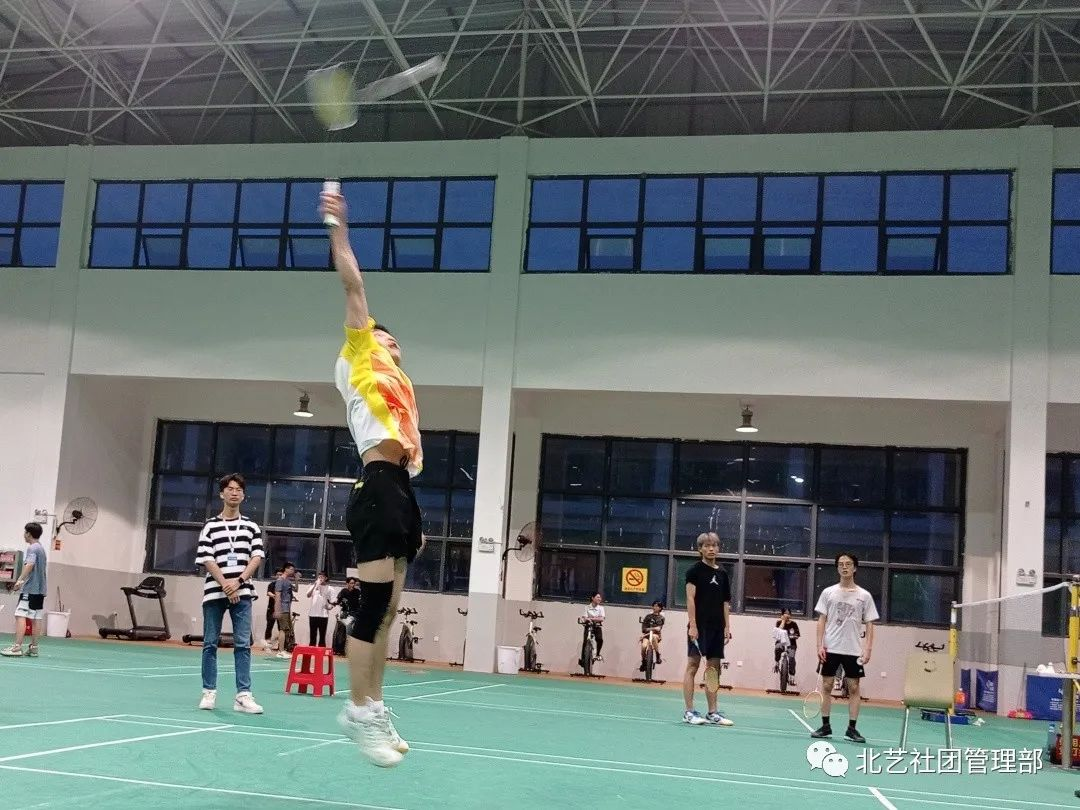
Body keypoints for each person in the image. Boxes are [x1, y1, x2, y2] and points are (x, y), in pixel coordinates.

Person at [321, 187, 425, 768]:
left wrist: (414, 515)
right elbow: (353, 285)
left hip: (401, 489)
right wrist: (338, 226)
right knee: (374, 604)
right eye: (387, 334)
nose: (393, 340)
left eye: (394, 339)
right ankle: (358, 712)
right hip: (377, 484)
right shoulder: (362, 353)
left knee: (388, 611)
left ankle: (377, 707)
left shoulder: (400, 383)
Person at [194, 473, 264, 713]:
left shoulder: (251, 526)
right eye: (230, 489)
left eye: (239, 490)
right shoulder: (210, 526)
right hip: (214, 593)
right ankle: (208, 692)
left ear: (243, 495)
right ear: (221, 493)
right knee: (209, 644)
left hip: (242, 593)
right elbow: (207, 558)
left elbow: (256, 557)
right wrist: (226, 584)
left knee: (243, 644)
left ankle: (243, 696)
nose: (234, 493)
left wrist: (239, 582)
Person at [810, 552, 879, 744]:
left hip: (853, 649)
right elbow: (821, 620)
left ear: (855, 568)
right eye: (841, 564)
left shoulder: (864, 595)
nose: (844, 567)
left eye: (848, 564)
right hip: (830, 647)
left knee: (854, 687)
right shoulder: (828, 592)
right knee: (827, 685)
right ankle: (825, 726)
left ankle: (852, 729)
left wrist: (868, 649)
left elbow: (870, 623)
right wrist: (819, 645)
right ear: (837, 568)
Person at [684, 532, 734, 726]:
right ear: (700, 549)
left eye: (714, 545)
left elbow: (725, 602)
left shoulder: (723, 573)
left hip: (717, 627)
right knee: (693, 666)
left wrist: (727, 626)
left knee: (713, 669)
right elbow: (690, 598)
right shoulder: (694, 571)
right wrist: (693, 625)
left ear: (718, 548)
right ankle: (689, 712)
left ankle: (712, 712)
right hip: (699, 626)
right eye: (707, 545)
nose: (711, 548)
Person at [1, 523, 48, 657]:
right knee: (36, 617)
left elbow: (30, 565)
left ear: (28, 533)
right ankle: (34, 648)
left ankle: (17, 647)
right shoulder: (41, 548)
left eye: (25, 532)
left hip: (30, 589)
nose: (24, 535)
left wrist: (19, 580)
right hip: (40, 590)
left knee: (20, 615)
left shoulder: (32, 548)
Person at [268, 562, 297, 658]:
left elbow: (296, 590)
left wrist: (296, 580)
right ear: (286, 569)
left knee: (287, 630)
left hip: (287, 608)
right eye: (291, 569)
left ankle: (270, 643)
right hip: (282, 608)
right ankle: (281, 651)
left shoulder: (287, 581)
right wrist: (277, 609)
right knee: (283, 629)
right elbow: (277, 595)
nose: (293, 571)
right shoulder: (280, 581)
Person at [773, 608, 801, 685]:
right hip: (781, 643)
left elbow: (797, 635)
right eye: (785, 613)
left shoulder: (794, 624)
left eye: (789, 614)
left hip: (791, 644)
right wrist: (783, 621)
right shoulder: (779, 622)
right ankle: (777, 662)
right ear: (782, 615)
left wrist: (793, 636)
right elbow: (778, 633)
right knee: (777, 648)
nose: (787, 615)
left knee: (791, 658)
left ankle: (792, 677)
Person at [307, 571, 333, 647]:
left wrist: (330, 607)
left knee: (322, 636)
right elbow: (308, 595)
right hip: (312, 614)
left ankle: (321, 651)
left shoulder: (330, 588)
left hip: (323, 615)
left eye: (322, 577)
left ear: (326, 578)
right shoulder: (314, 586)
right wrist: (315, 586)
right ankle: (311, 650)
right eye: (319, 577)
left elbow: (333, 601)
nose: (320, 578)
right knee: (312, 635)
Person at [639, 600, 664, 671]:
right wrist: (653, 628)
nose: (654, 607)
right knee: (644, 647)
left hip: (656, 635)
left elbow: (658, 629)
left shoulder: (661, 618)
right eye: (654, 606)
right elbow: (644, 629)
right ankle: (643, 661)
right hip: (646, 636)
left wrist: (650, 629)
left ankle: (657, 655)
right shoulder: (648, 617)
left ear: (660, 608)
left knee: (653, 637)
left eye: (657, 606)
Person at [580, 593, 605, 664]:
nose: (599, 599)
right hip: (588, 625)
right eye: (598, 597)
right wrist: (594, 618)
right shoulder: (587, 607)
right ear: (592, 598)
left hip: (597, 626)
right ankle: (583, 660)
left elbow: (602, 618)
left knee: (600, 639)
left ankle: (597, 654)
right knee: (585, 641)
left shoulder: (601, 608)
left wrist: (591, 618)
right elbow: (584, 617)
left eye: (600, 597)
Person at [261, 570, 280, 650]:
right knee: (269, 626)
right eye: (278, 574)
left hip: (281, 610)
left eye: (281, 575)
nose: (279, 576)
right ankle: (267, 645)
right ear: (275, 576)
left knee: (281, 628)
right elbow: (268, 593)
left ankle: (280, 645)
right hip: (271, 609)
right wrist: (275, 596)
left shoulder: (284, 585)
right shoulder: (272, 584)